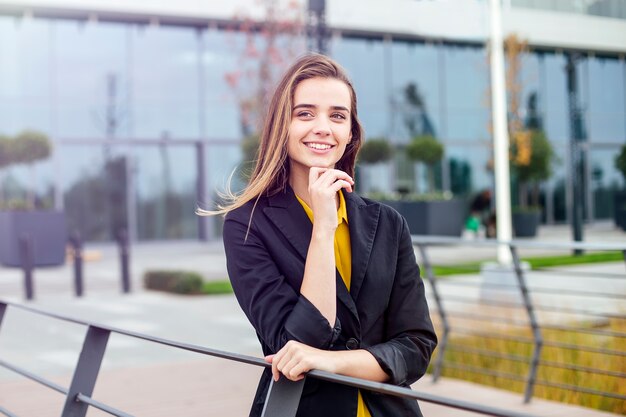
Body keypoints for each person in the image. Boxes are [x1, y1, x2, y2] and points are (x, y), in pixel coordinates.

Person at [200, 54, 437, 417]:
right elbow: (294, 344)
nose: (323, 127)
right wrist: (324, 227)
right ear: (283, 125)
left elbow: (416, 346)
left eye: (338, 116)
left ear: (351, 133)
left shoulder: (389, 224)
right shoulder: (246, 225)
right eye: (305, 113)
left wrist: (332, 362)